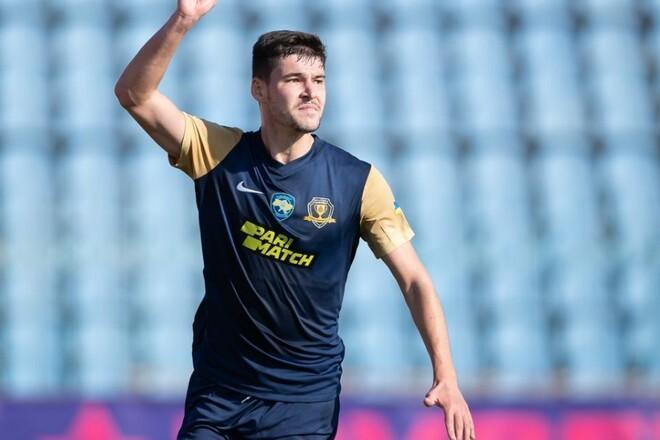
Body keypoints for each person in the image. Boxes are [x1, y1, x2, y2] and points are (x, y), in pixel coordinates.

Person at [115, 1, 476, 439]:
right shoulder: (219, 154)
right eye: (294, 80)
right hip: (220, 394)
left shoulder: (357, 181)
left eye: (319, 80)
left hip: (303, 404)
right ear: (259, 90)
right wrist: (182, 21)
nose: (311, 92)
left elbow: (415, 280)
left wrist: (446, 375)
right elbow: (134, 95)